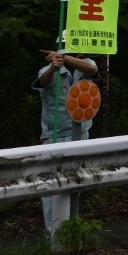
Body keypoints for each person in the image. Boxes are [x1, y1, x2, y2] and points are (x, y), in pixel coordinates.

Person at [33, 49, 99, 229]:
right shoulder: (48, 70)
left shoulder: (84, 67)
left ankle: (70, 231)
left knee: (76, 184)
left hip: (81, 135)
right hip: (55, 137)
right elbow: (43, 81)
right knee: (52, 190)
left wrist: (65, 57)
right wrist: (54, 67)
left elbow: (93, 70)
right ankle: (53, 234)